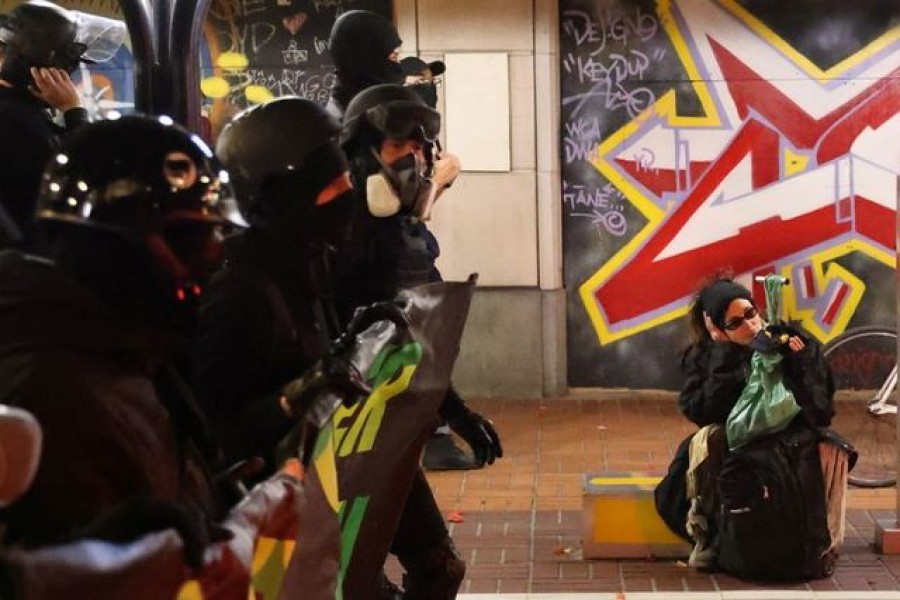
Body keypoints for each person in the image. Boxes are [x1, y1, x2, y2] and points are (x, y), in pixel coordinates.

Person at [0, 114, 245, 550]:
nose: (210, 262)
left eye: (215, 237)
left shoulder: (131, 351)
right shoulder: (52, 394)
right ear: (107, 240)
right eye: (187, 241)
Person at [655, 275, 835, 572]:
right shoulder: (706, 356)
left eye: (751, 313)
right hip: (735, 445)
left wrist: (798, 365)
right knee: (700, 450)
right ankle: (720, 537)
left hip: (786, 444)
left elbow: (821, 410)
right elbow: (704, 413)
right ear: (715, 328)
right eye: (734, 323)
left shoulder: (789, 340)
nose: (750, 325)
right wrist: (724, 354)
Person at [0, 0, 91, 252]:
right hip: (33, 269)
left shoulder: (17, 111)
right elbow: (86, 178)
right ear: (50, 67)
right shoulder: (18, 120)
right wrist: (74, 112)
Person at [325, 9, 405, 119]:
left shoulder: (372, 109)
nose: (398, 66)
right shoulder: (341, 124)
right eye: (393, 56)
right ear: (366, 57)